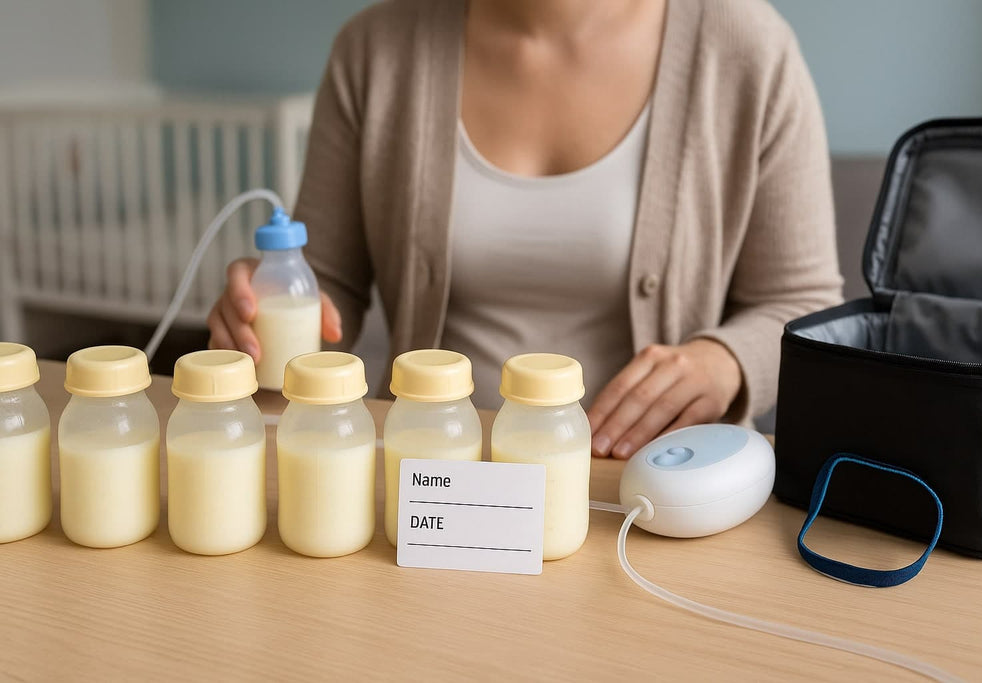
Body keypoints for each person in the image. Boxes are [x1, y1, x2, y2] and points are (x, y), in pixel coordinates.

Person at [207, 0, 843, 459]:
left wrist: (723, 361)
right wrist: (277, 300)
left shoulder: (749, 48)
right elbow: (332, 281)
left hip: (640, 492)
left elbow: (804, 302)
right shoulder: (375, 48)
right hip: (432, 479)